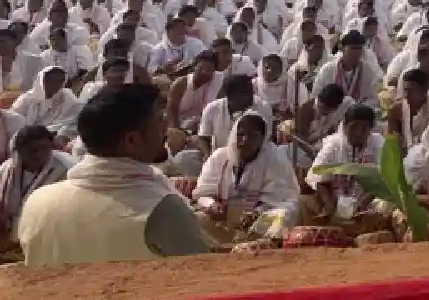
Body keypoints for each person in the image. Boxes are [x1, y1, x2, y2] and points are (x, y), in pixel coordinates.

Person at [18, 83, 213, 266]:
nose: (167, 130)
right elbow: (205, 276)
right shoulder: (161, 210)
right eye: (160, 121)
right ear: (132, 140)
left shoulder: (37, 201)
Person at [192, 112, 300, 243]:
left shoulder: (275, 158)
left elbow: (279, 197)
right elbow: (202, 194)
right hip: (222, 219)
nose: (245, 141)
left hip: (258, 219)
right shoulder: (218, 157)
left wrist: (256, 213)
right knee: (194, 219)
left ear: (262, 139)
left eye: (252, 136)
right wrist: (212, 205)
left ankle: (265, 249)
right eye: (240, 134)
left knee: (284, 214)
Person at [303, 105, 391, 235]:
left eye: (364, 128)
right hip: (335, 204)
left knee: (386, 205)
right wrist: (328, 203)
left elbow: (386, 179)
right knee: (303, 203)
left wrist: (365, 202)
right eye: (353, 127)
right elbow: (318, 176)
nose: (358, 133)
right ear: (344, 126)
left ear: (370, 130)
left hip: (368, 206)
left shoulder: (378, 144)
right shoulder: (333, 144)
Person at [0, 126, 75, 253]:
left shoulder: (66, 169)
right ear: (19, 151)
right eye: (32, 150)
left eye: (45, 149)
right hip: (8, 241)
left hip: (47, 240)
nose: (39, 154)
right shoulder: (6, 170)